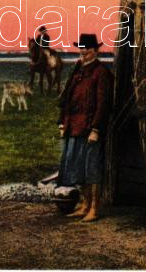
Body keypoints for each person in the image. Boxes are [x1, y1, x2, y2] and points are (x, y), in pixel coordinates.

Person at [57, 33, 113, 222]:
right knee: (78, 168)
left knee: (92, 168)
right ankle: (84, 205)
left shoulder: (101, 73)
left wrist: (96, 129)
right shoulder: (77, 70)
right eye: (81, 50)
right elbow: (67, 98)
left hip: (90, 129)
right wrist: (63, 122)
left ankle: (94, 209)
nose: (83, 53)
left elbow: (103, 104)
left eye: (87, 50)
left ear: (95, 51)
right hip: (74, 127)